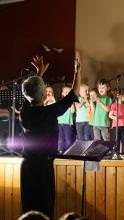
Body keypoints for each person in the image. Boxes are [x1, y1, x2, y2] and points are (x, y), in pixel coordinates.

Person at [19, 56, 80, 218]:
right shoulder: (50, 111)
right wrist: (77, 71)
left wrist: (39, 73)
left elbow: (32, 91)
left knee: (28, 211)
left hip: (26, 166)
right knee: (45, 209)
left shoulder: (25, 112)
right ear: (44, 94)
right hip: (43, 167)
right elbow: (74, 93)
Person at [109, 88, 124, 159]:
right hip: (116, 126)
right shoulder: (114, 105)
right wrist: (115, 118)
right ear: (119, 96)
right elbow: (110, 115)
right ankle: (115, 153)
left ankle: (123, 154)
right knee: (116, 140)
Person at [57, 85, 76, 153]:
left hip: (68, 123)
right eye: (65, 92)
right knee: (60, 139)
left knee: (68, 139)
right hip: (59, 123)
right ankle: (61, 151)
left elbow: (73, 111)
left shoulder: (71, 102)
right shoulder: (59, 102)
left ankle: (69, 152)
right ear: (62, 93)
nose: (67, 93)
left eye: (69, 92)